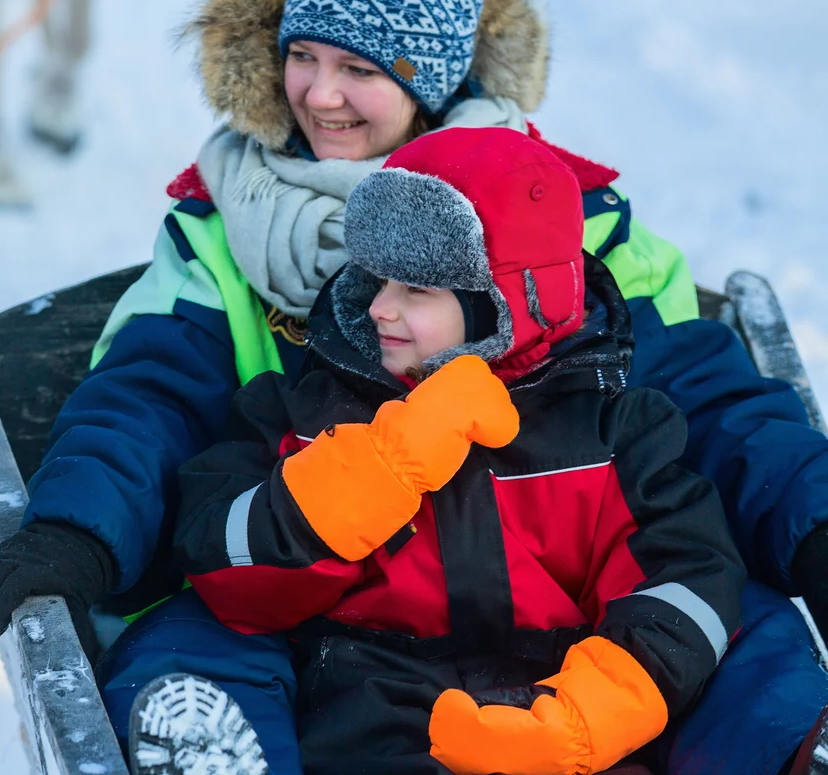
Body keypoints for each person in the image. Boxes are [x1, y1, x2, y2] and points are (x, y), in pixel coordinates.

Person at [0, 0, 828, 771]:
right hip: (314, 582)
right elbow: (147, 399)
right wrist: (78, 527)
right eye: (301, 56)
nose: (317, 94)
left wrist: (815, 520)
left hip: (560, 579)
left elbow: (709, 400)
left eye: (360, 68)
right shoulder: (220, 233)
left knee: (734, 621)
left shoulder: (565, 221)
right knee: (199, 634)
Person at [154, 126, 746, 774]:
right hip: (375, 715)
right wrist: (377, 468)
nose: (379, 307)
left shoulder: (614, 432)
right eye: (377, 279)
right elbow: (222, 559)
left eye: (416, 291)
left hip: (561, 711)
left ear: (506, 304)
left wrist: (582, 721)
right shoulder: (306, 410)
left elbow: (687, 581)